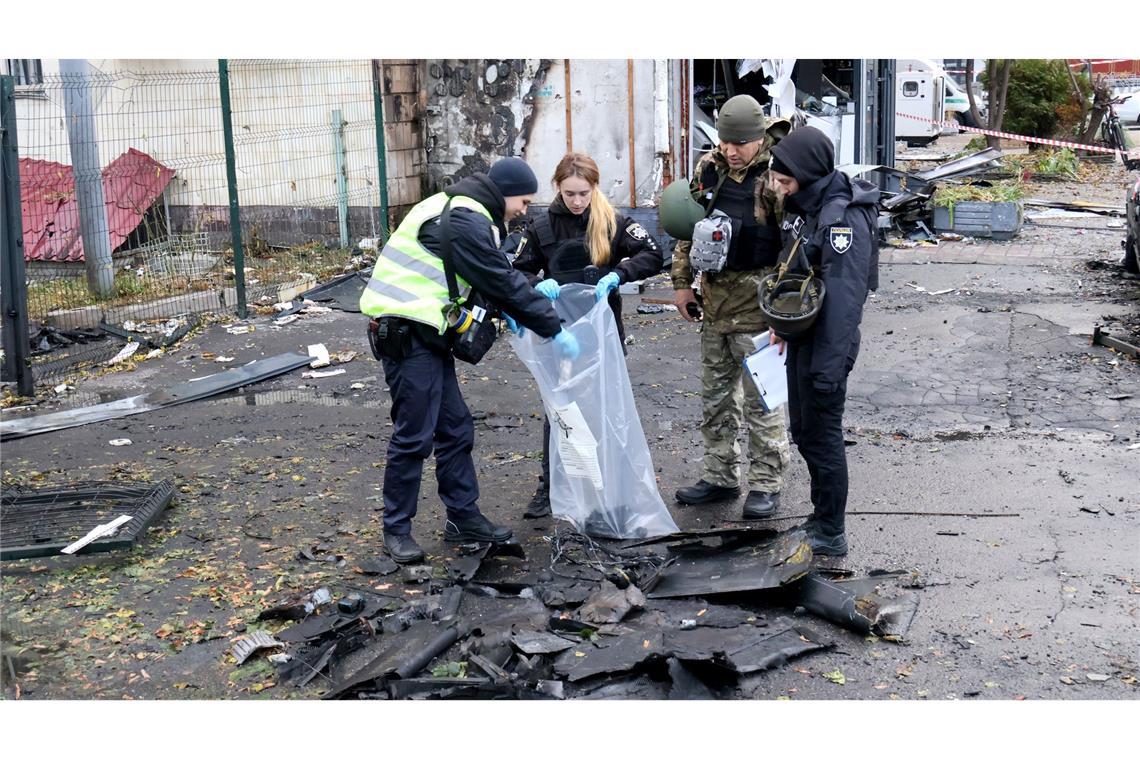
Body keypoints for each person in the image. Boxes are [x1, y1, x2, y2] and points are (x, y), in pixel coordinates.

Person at [360, 157, 581, 564]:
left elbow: (476, 276)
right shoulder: (465, 218)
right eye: (524, 201)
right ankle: (396, 529)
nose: (524, 211)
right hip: (407, 335)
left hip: (427, 335)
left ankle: (463, 518)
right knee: (414, 435)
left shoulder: (463, 208)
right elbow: (498, 278)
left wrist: (509, 306)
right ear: (506, 193)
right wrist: (551, 327)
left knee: (455, 429)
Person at [513, 152, 664, 518]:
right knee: (560, 411)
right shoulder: (541, 227)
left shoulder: (612, 222)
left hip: (603, 331)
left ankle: (610, 485)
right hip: (560, 334)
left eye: (584, 193)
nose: (577, 201)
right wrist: (538, 282)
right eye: (569, 194)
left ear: (594, 188)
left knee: (607, 410)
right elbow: (514, 270)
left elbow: (653, 252)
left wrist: (620, 274)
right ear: (558, 189)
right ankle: (551, 486)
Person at [667, 94, 791, 520]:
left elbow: (793, 248)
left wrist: (785, 315)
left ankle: (766, 484)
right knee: (716, 397)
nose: (731, 150)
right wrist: (683, 284)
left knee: (764, 401)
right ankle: (720, 475)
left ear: (759, 138)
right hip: (715, 305)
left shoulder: (778, 177)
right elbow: (689, 229)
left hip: (760, 309)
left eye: (740, 143)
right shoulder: (709, 168)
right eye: (725, 141)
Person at [766, 125, 880, 556]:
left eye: (785, 178)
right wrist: (784, 320)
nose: (778, 185)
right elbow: (794, 265)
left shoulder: (842, 218)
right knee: (805, 432)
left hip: (828, 346)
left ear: (809, 171)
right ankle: (819, 518)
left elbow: (846, 301)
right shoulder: (807, 204)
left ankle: (831, 530)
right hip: (805, 338)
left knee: (823, 435)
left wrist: (828, 370)